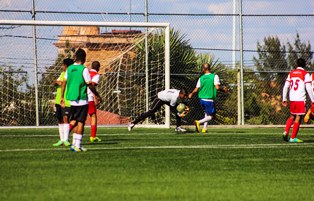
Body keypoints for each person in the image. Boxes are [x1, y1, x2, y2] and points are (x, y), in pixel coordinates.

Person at [61, 48, 101, 152]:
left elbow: (64, 82)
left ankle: (74, 144)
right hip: (82, 99)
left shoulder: (69, 69)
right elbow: (89, 85)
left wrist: (62, 97)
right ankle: (77, 145)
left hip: (71, 100)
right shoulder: (84, 69)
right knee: (81, 123)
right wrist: (97, 95)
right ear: (83, 58)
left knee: (74, 120)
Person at [282, 58, 314, 143]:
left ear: (296, 64)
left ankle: (285, 131)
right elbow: (308, 87)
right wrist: (313, 100)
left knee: (292, 116)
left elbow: (286, 86)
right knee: (298, 118)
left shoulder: (291, 73)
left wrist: (284, 98)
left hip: (292, 98)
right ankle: (293, 138)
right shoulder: (305, 74)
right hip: (300, 98)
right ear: (304, 65)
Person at [188, 63, 227, 133]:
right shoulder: (214, 76)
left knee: (206, 113)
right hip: (209, 99)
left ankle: (204, 129)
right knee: (212, 116)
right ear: (210, 68)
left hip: (201, 99)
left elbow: (196, 89)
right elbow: (217, 87)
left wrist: (191, 94)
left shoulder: (201, 78)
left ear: (203, 69)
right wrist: (223, 89)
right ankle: (198, 122)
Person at [53, 58, 74, 147]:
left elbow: (68, 84)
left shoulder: (71, 74)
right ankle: (61, 140)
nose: (62, 66)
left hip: (66, 101)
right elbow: (55, 82)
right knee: (60, 119)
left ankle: (66, 139)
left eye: (63, 65)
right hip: (58, 100)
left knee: (66, 118)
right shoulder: (62, 74)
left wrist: (62, 83)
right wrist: (57, 82)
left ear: (66, 65)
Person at [88, 61, 102, 143]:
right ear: (98, 68)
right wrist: (96, 97)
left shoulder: (87, 73)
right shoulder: (96, 75)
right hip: (88, 98)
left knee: (76, 118)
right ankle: (93, 136)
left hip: (80, 97)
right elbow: (91, 86)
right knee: (93, 116)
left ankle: (65, 136)